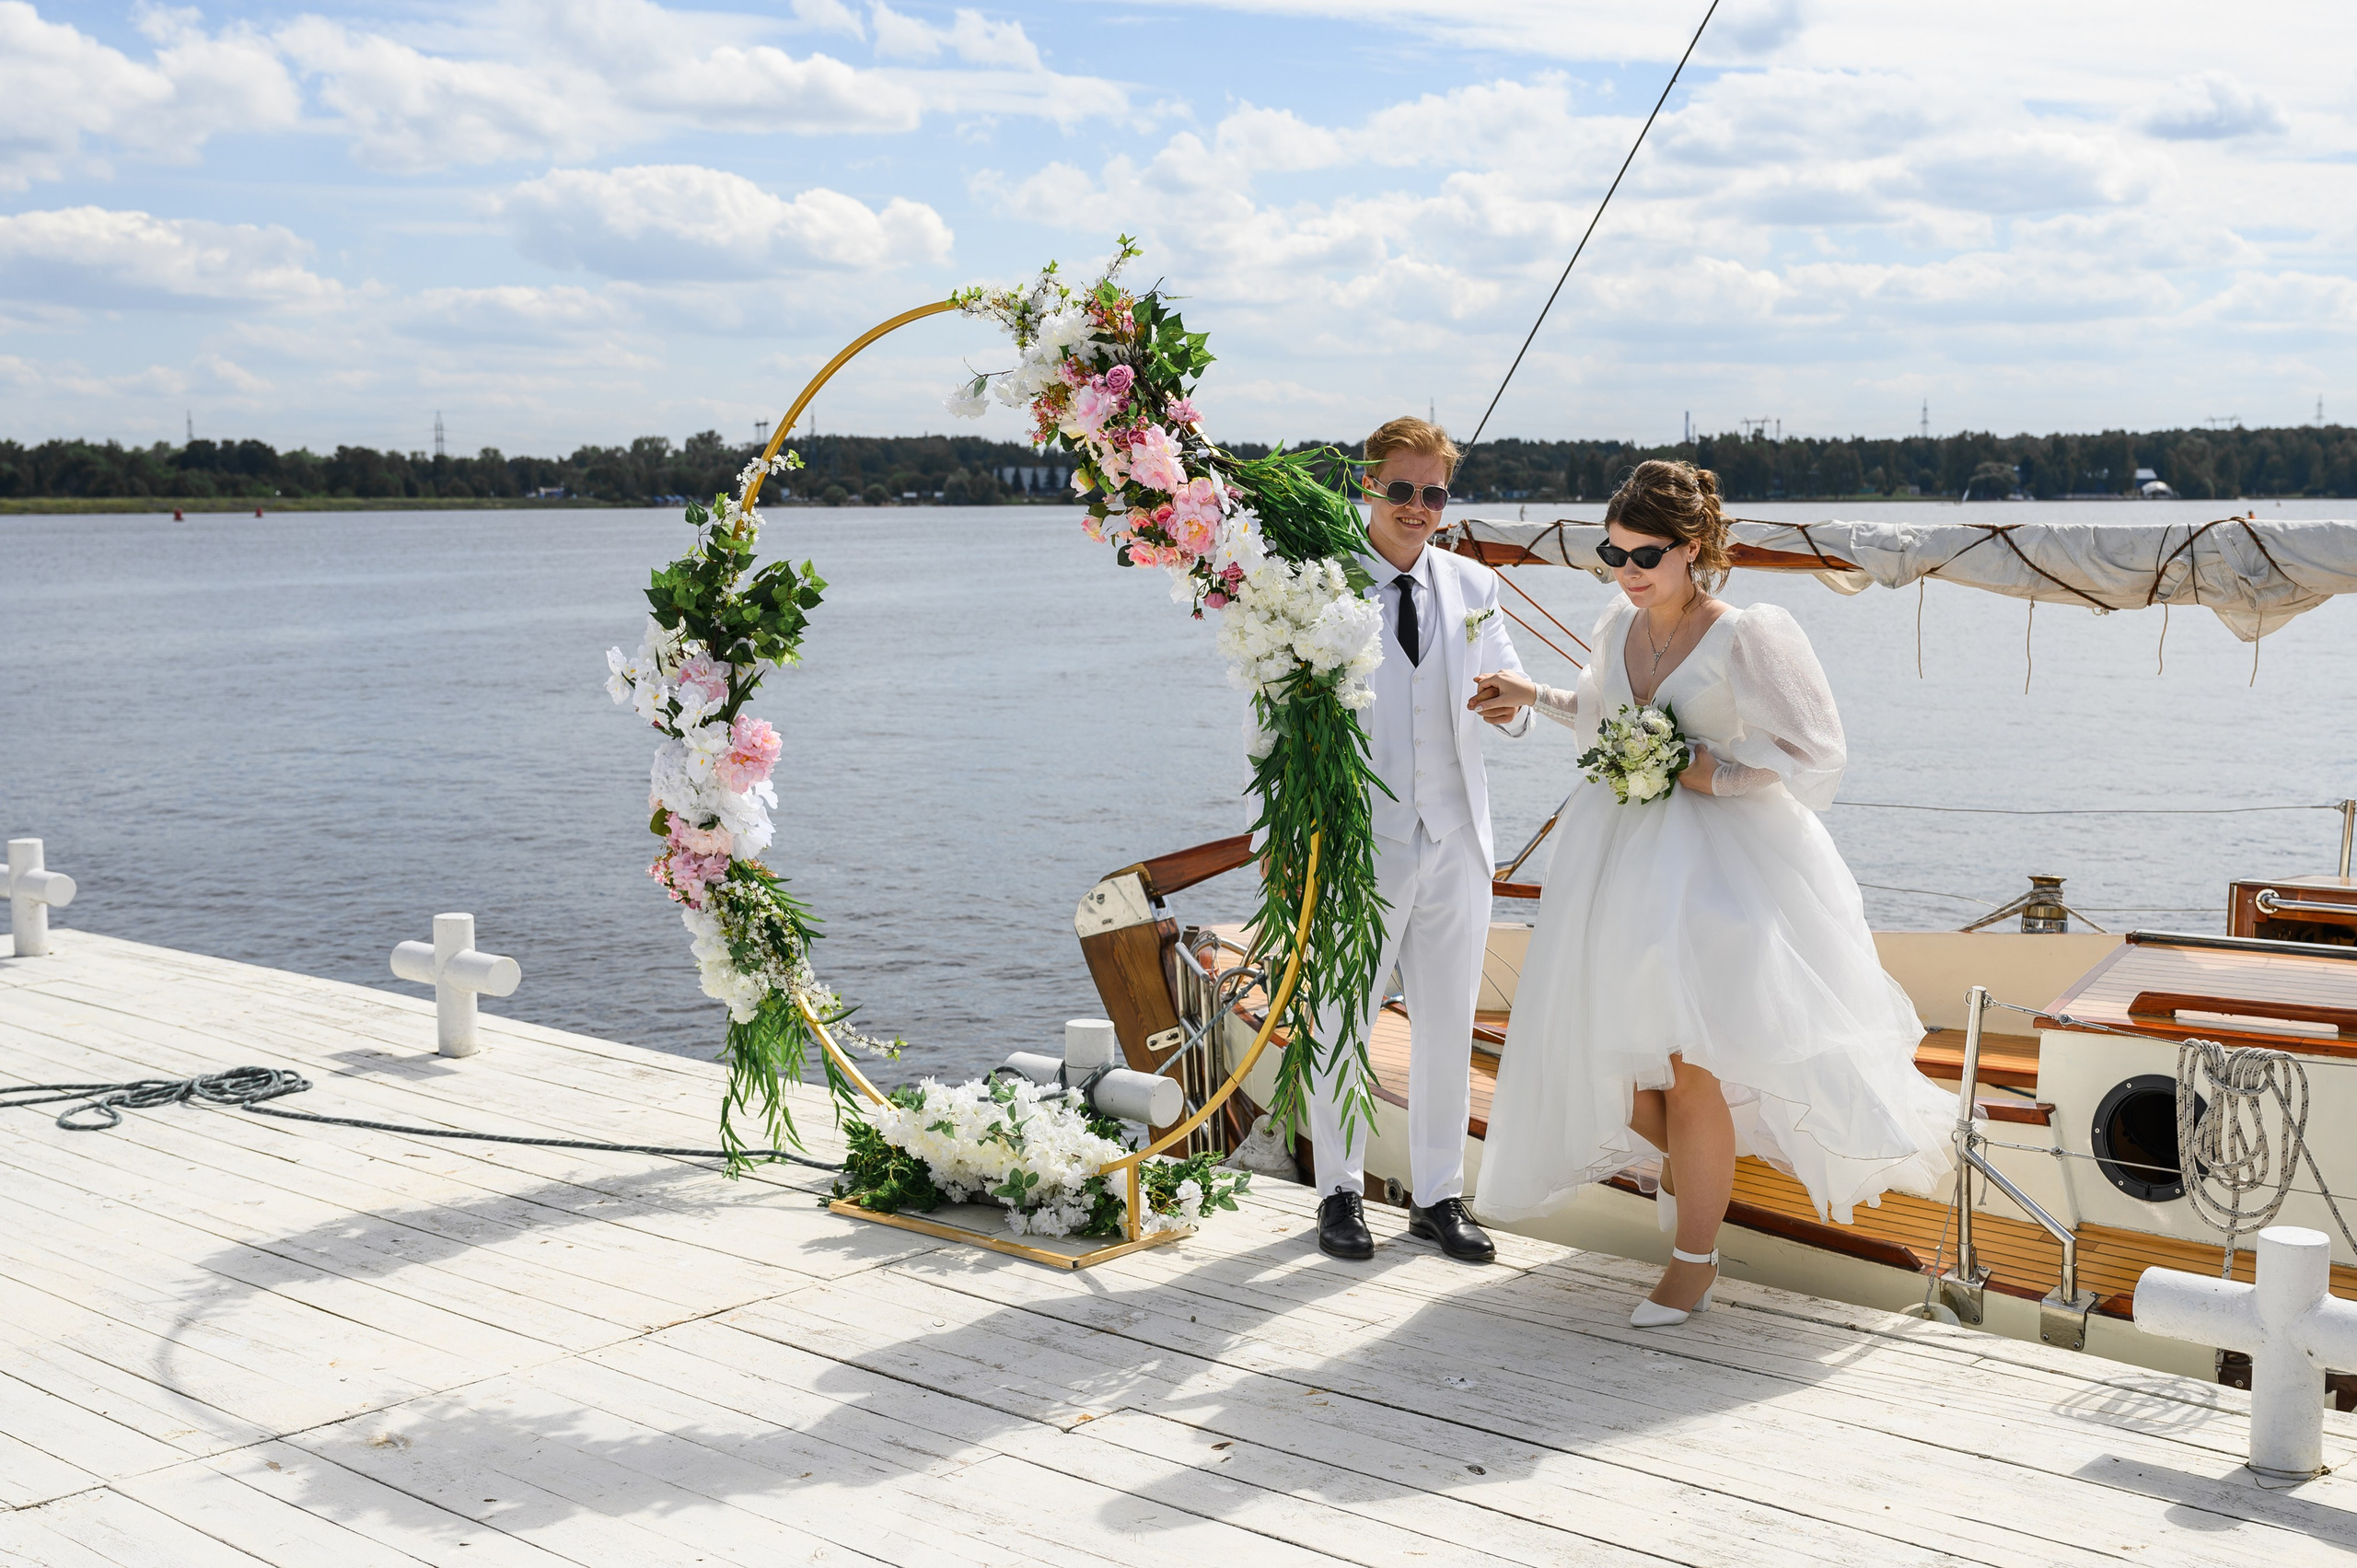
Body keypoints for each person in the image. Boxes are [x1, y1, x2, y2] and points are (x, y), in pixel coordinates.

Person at [1466, 459, 1955, 1325]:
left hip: (1721, 871)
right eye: (1611, 552)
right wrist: (1530, 695)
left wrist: (1705, 770)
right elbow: (1597, 710)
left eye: (1644, 554)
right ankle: (1692, 1170)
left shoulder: (1747, 634)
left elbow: (1815, 753)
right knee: (1605, 1059)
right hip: (1617, 862)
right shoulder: (1619, 619)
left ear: (1692, 549)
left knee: (1694, 1071)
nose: (1626, 570)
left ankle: (1694, 1259)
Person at [1307, 416, 1530, 1265]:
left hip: (1458, 840)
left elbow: (1504, 696)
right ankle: (1340, 1190)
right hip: (1357, 844)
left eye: (1434, 492)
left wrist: (1509, 703)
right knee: (1342, 1020)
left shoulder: (1476, 585)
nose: (1418, 507)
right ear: (1368, 486)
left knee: (1449, 1022)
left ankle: (1438, 1196)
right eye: (1402, 489)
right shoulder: (1320, 585)